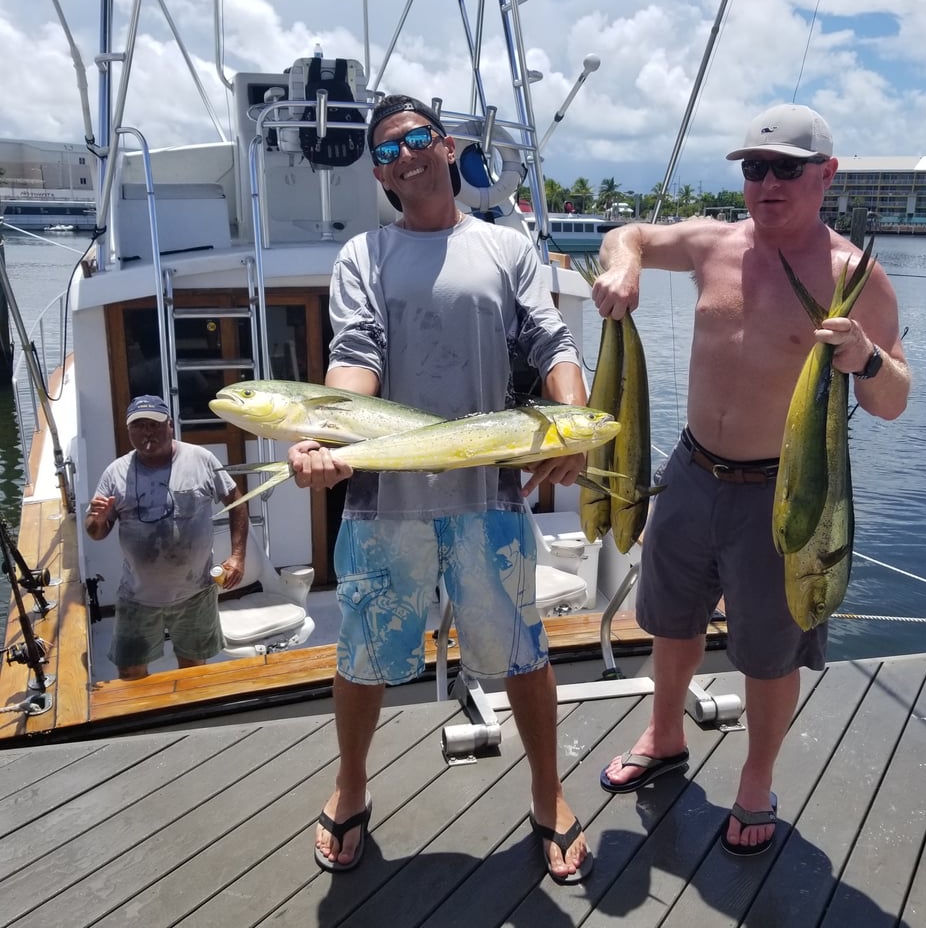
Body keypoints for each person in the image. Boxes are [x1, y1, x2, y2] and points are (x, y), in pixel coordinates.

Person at [288, 94, 593, 883]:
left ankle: (548, 791)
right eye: (387, 149)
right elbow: (356, 353)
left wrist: (574, 422)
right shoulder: (364, 255)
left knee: (523, 656)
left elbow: (549, 338)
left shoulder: (505, 247)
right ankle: (351, 786)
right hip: (384, 506)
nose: (405, 155)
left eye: (418, 138)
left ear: (448, 146)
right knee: (359, 660)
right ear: (380, 171)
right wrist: (328, 435)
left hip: (487, 499)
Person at [594, 104, 910, 855]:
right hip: (690, 469)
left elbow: (892, 401)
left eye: (786, 169)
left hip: (787, 492)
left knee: (770, 652)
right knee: (670, 620)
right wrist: (625, 263)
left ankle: (755, 780)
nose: (766, 182)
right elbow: (628, 234)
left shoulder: (854, 276)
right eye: (754, 168)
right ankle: (664, 734)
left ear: (825, 175)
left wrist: (866, 356)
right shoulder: (712, 243)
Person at [85, 395, 249, 679]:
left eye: (154, 424)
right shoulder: (115, 473)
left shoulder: (201, 459)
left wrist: (237, 556)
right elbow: (97, 533)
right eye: (139, 426)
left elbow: (237, 501)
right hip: (138, 597)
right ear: (129, 431)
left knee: (194, 673)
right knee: (130, 674)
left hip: (196, 593)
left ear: (170, 425)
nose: (147, 432)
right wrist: (96, 520)